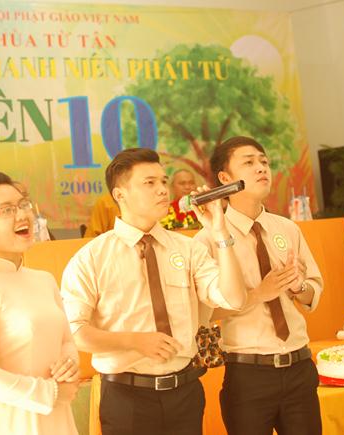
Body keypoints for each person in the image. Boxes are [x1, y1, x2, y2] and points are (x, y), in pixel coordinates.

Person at [61, 148, 247, 435]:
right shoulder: (91, 258)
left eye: (163, 181)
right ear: (120, 194)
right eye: (149, 183)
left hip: (185, 392)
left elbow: (234, 298)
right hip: (126, 397)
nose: (162, 189)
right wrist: (134, 342)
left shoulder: (188, 248)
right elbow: (74, 333)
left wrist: (219, 232)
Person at [195, 136, 323, 435]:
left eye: (264, 161)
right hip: (248, 375)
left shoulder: (287, 228)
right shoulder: (208, 239)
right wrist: (258, 294)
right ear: (224, 178)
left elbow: (312, 292)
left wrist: (297, 286)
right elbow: (204, 314)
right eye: (249, 162)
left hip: (300, 366)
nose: (261, 168)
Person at [0, 171, 80, 435]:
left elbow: (66, 341)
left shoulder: (44, 279)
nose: (22, 215)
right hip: (8, 423)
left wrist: (69, 364)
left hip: (57, 416)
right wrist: (49, 392)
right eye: (6, 210)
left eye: (23, 204)